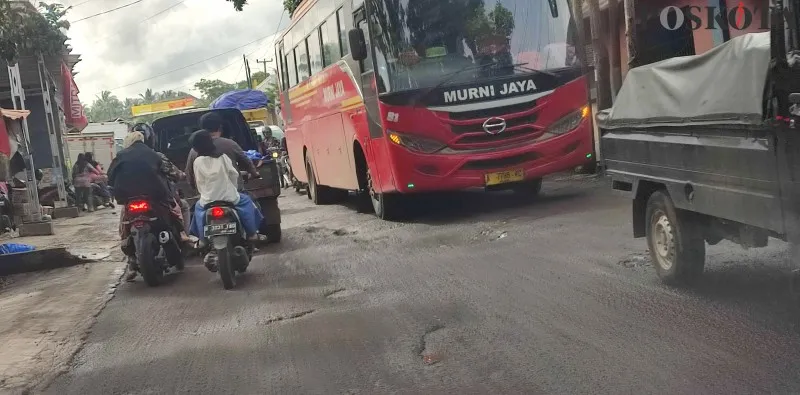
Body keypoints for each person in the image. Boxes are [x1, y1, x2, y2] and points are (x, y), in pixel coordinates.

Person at [108, 128, 190, 282]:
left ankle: (129, 253)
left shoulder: (120, 156)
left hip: (128, 197)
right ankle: (183, 235)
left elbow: (110, 177)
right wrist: (182, 176)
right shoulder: (155, 155)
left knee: (124, 219)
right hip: (156, 196)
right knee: (180, 207)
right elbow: (173, 172)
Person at [188, 129, 264, 271]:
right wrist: (232, 188)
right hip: (229, 197)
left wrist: (205, 193)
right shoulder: (222, 157)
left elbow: (198, 182)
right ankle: (252, 233)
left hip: (207, 200)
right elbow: (233, 174)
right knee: (247, 202)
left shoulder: (197, 161)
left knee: (197, 210)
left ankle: (202, 240)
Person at [185, 112, 259, 189]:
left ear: (202, 129)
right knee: (248, 200)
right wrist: (254, 173)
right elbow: (246, 163)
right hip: (234, 193)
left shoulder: (194, 150)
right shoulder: (230, 144)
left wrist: (195, 187)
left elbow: (189, 174)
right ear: (220, 127)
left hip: (207, 197)